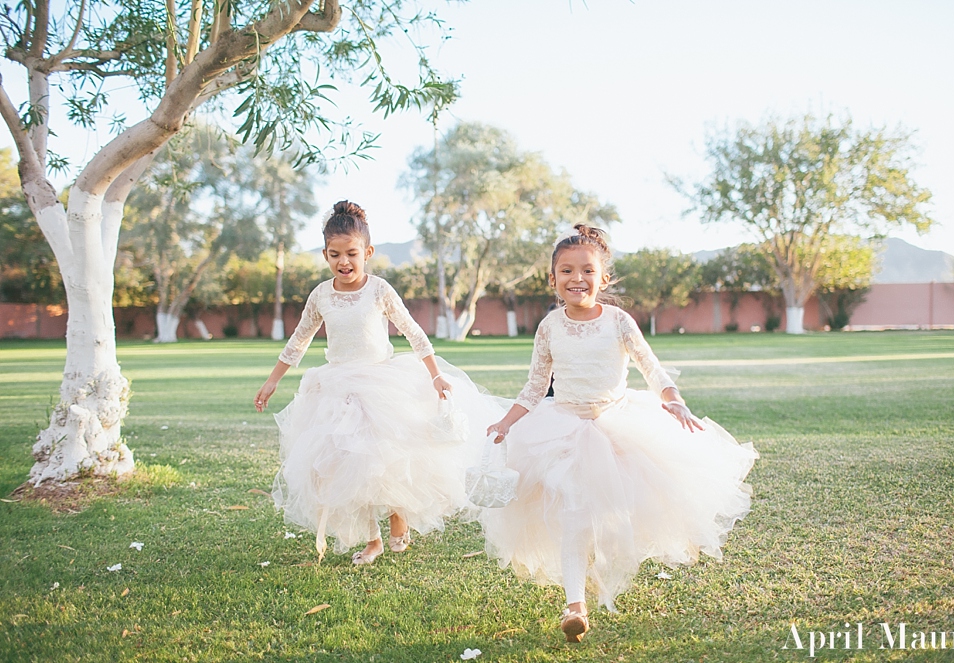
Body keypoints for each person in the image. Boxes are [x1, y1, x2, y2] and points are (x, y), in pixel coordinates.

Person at [482, 224, 757, 643]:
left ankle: (596, 569)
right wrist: (506, 422)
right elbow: (536, 386)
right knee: (573, 512)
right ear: (553, 280)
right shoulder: (549, 328)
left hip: (618, 425)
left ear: (603, 278)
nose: (578, 279)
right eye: (567, 271)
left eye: (588, 270)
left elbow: (652, 368)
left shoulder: (619, 321)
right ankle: (575, 604)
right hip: (564, 430)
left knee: (612, 512)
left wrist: (673, 399)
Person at [255, 200, 497, 565]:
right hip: (337, 389)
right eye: (335, 254)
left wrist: (435, 374)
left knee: (391, 456)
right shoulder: (321, 295)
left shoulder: (379, 289)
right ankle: (372, 539)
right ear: (325, 254)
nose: (344, 262)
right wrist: (272, 381)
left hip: (383, 383)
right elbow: (299, 339)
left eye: (352, 253)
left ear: (367, 252)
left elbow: (413, 332)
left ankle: (400, 517)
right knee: (349, 466)